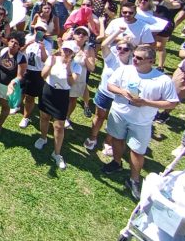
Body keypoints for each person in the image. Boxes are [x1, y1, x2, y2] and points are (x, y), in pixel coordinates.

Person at [102, 45, 179, 200]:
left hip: (141, 122)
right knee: (117, 139)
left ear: (151, 60)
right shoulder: (125, 70)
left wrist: (146, 102)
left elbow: (172, 103)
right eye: (135, 56)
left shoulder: (162, 80)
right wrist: (122, 92)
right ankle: (116, 162)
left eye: (139, 58)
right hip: (119, 113)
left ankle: (134, 179)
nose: (135, 60)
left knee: (137, 151)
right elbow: (110, 85)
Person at [83, 29, 135, 153]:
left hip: (121, 97)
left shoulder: (133, 64)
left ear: (131, 52)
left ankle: (108, 141)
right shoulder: (111, 58)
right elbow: (104, 45)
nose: (121, 51)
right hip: (104, 93)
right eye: (119, 48)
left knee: (114, 120)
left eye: (125, 49)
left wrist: (134, 97)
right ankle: (93, 137)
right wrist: (117, 32)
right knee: (99, 116)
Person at [34, 41, 82, 171]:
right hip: (48, 91)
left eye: (69, 51)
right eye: (65, 49)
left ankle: (56, 153)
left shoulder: (77, 66)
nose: (66, 52)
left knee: (59, 126)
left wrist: (68, 68)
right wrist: (50, 65)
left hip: (62, 95)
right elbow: (43, 75)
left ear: (73, 53)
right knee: (44, 116)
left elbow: (71, 83)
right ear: (61, 49)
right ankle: (43, 138)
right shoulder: (52, 58)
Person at [19, 23, 51, 129]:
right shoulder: (28, 37)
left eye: (42, 30)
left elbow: (45, 60)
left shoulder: (47, 44)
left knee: (30, 97)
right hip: (25, 69)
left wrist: (42, 48)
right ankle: (17, 106)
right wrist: (28, 44)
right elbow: (20, 51)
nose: (39, 31)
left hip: (37, 72)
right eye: (38, 29)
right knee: (20, 90)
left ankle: (26, 117)